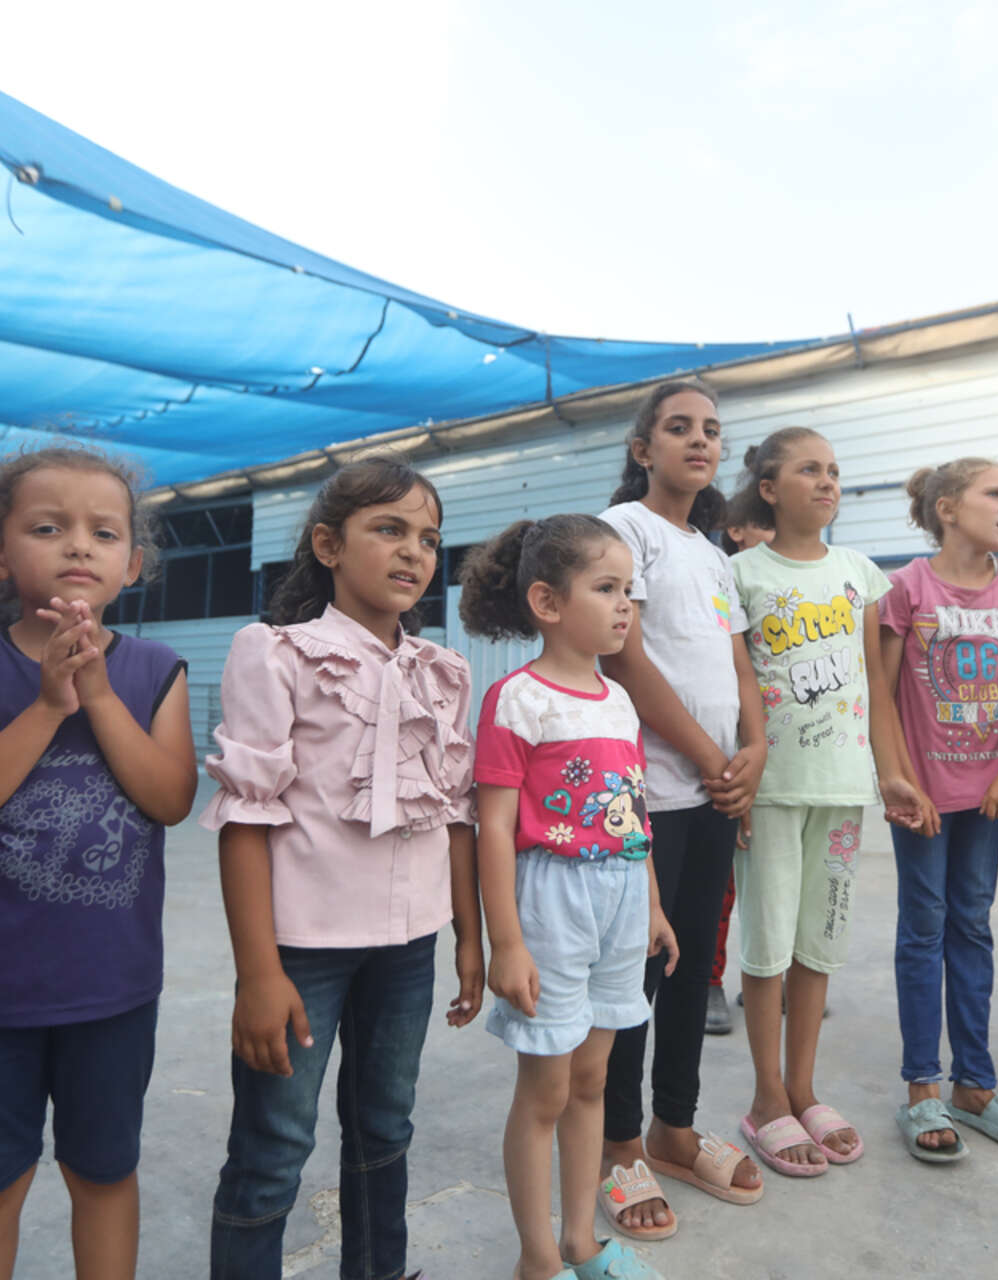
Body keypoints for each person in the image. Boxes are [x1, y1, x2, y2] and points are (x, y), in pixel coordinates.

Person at [202, 458, 483, 1280]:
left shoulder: (443, 671)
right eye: (389, 530)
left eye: (428, 538)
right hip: (303, 953)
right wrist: (260, 974)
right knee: (273, 1145)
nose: (414, 552)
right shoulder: (276, 654)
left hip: (410, 945)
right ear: (328, 545)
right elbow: (245, 816)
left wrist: (470, 937)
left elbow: (454, 814)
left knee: (385, 1125)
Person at [461, 514, 677, 1280]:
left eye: (629, 590)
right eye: (607, 588)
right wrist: (506, 943)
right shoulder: (517, 700)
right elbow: (492, 828)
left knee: (593, 1081)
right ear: (548, 602)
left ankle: (581, 1242)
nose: (625, 606)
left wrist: (652, 904)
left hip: (621, 900)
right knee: (547, 1090)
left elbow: (634, 814)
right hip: (551, 902)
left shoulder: (619, 701)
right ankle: (538, 1258)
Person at [0, 448, 197, 1280]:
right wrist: (51, 705)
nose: (79, 545)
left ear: (133, 564)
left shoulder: (153, 670)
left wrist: (102, 695)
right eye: (49, 528)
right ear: (3, 552)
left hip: (113, 989)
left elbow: (170, 798)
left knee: (105, 1172)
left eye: (104, 533)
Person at [597, 380, 766, 1239]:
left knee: (696, 965)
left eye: (711, 430)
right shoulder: (625, 532)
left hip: (715, 793)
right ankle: (619, 1144)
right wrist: (708, 757)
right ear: (643, 450)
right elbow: (622, 655)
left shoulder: (714, 554)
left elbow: (738, 665)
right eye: (678, 428)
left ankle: (674, 1126)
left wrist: (754, 751)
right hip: (650, 792)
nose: (699, 441)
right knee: (638, 970)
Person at [728, 428, 921, 1176]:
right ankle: (766, 1098)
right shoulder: (739, 573)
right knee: (767, 947)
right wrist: (740, 780)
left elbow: (875, 682)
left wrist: (890, 773)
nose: (827, 482)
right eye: (809, 470)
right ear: (769, 489)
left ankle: (803, 1088)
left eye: (834, 471)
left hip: (842, 790)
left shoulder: (859, 574)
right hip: (774, 791)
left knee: (819, 943)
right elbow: (733, 684)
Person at [880, 458, 998, 1161]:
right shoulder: (907, 587)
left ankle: (976, 1086)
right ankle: (923, 1087)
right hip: (924, 795)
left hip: (988, 794)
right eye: (995, 494)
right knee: (923, 929)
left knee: (972, 927)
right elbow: (881, 691)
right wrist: (896, 778)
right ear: (948, 508)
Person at [706, 495, 775, 1037]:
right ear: (736, 531)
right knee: (723, 879)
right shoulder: (723, 576)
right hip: (729, 744)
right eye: (765, 527)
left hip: (781, 747)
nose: (774, 538)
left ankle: (770, 976)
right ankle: (709, 979)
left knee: (773, 877)